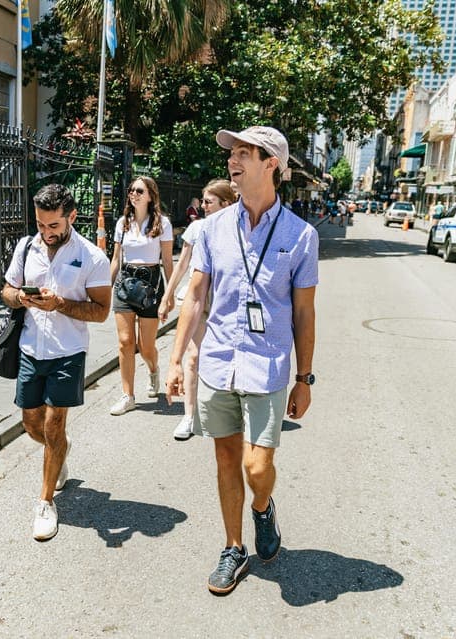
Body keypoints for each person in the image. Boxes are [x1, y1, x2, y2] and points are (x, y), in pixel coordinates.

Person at [165, 126, 319, 595]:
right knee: (226, 457)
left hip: (268, 363)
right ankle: (234, 548)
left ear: (271, 163)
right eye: (232, 153)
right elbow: (194, 298)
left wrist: (304, 378)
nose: (233, 160)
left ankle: (262, 507)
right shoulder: (212, 228)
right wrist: (174, 361)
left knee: (257, 468)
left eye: (245, 153)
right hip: (216, 361)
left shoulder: (301, 234)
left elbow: (303, 311)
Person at [1, 184, 112, 541]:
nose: (46, 233)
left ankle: (46, 502)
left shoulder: (92, 257)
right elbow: (6, 290)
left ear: (71, 217)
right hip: (31, 349)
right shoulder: (26, 247)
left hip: (68, 351)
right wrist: (19, 297)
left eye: (53, 226)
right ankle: (61, 451)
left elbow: (101, 311)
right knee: (32, 424)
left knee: (52, 425)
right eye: (41, 225)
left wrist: (60, 304)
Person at [158, 178, 237, 441]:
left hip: (224, 302)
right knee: (193, 357)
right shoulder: (198, 228)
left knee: (224, 357)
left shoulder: (239, 228)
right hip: (196, 300)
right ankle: (189, 416)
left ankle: (225, 411)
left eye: (208, 201)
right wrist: (167, 296)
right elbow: (182, 266)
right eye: (202, 201)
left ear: (226, 203)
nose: (202, 206)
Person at [109, 176, 175, 416]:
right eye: (131, 190)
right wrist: (105, 288)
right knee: (126, 342)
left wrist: (170, 294)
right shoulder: (122, 223)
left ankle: (153, 369)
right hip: (125, 284)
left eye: (139, 190)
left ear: (150, 196)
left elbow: (167, 261)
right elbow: (116, 259)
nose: (133, 194)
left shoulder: (162, 224)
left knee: (145, 346)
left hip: (151, 284)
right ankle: (128, 396)